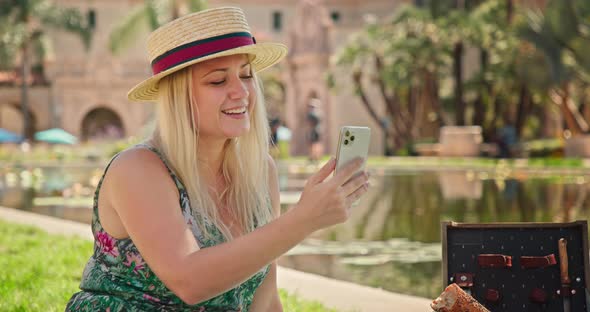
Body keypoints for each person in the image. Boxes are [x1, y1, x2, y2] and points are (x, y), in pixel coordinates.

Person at [65, 7, 370, 311]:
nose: (241, 92)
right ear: (179, 97)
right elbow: (190, 281)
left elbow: (263, 300)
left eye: (246, 75)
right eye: (218, 81)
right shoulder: (138, 169)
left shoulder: (261, 172)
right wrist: (304, 219)